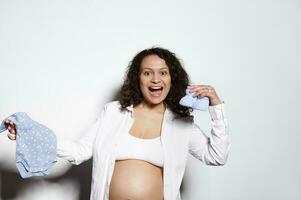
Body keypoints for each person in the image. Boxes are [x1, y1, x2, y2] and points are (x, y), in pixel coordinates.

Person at [5, 47, 230, 200]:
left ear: (172, 79)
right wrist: (29, 133)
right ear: (137, 78)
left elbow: (216, 156)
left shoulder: (181, 125)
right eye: (147, 73)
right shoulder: (112, 112)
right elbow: (78, 151)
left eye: (163, 73)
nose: (155, 79)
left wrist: (216, 107)